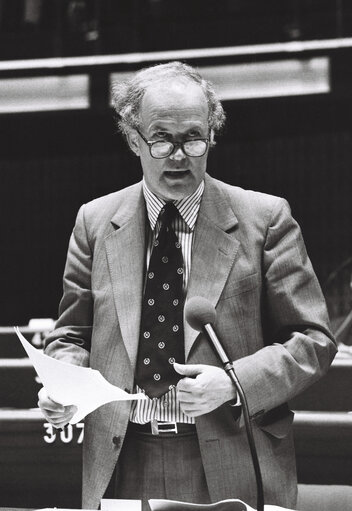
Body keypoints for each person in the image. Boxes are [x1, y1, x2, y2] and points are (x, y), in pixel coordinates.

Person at [38, 61, 336, 510]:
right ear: (134, 138)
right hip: (122, 459)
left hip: (232, 455)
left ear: (211, 136)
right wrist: (64, 383)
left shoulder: (265, 219)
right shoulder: (95, 223)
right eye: (161, 139)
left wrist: (234, 382)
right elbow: (71, 336)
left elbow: (313, 341)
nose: (178, 155)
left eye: (193, 138)